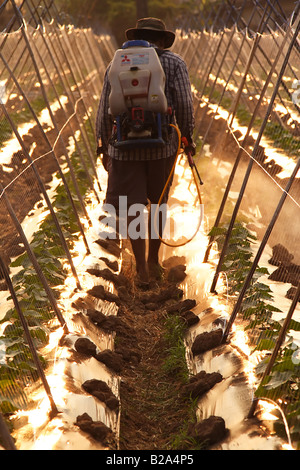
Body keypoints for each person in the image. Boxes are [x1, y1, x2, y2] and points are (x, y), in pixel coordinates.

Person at [96, 17, 195, 287]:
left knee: (132, 208)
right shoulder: (174, 63)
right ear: (162, 41)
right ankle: (153, 260)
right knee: (159, 202)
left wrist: (103, 144)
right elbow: (185, 104)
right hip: (162, 147)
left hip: (124, 149)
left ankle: (140, 268)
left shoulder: (117, 63)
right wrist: (187, 137)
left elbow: (105, 106)